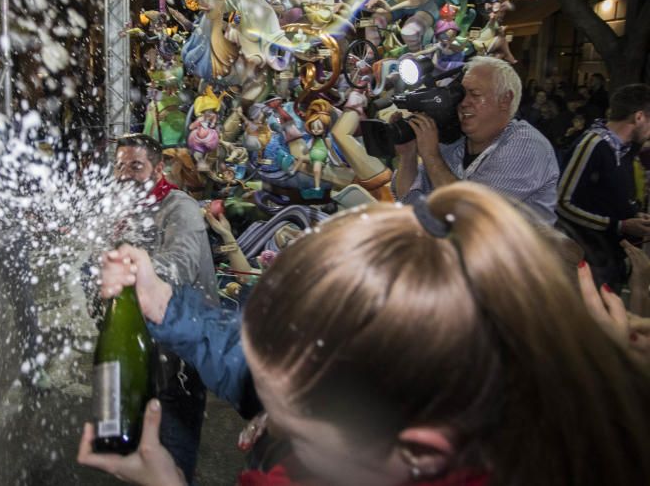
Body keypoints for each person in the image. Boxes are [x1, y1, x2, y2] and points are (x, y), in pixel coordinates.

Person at [78, 182, 650, 486]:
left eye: (293, 430)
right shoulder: (392, 393)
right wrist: (164, 303)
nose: (259, 429)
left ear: (418, 452)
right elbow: (261, 365)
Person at [87, 133, 217, 483]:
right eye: (120, 167)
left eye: (136, 166)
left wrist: (127, 269)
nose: (125, 174)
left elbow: (181, 264)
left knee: (173, 452)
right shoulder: (118, 209)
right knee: (125, 446)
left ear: (159, 169)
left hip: (180, 354)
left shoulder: (181, 208)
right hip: (133, 350)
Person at [392, 56, 560, 224]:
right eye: (461, 95)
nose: (463, 103)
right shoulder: (454, 145)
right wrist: (408, 156)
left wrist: (431, 156)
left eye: (475, 94)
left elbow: (473, 215)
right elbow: (410, 202)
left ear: (505, 100)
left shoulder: (527, 145)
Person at [557, 83, 650, 290]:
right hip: (588, 262)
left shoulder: (624, 149)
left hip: (609, 260)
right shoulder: (592, 145)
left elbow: (606, 198)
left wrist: (634, 216)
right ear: (639, 117)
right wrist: (619, 225)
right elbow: (562, 203)